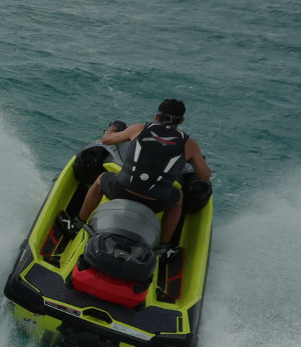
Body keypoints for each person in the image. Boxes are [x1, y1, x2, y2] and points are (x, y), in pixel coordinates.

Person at [77, 98, 211, 246]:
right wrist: (194, 159)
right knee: (178, 197)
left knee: (101, 178)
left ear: (157, 117)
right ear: (182, 121)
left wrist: (114, 127)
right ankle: (163, 245)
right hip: (156, 203)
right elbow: (204, 175)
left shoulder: (138, 129)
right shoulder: (190, 144)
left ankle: (79, 222)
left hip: (121, 190)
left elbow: (107, 140)